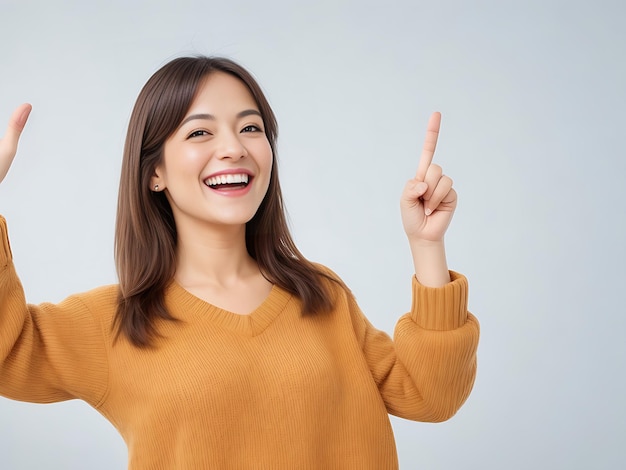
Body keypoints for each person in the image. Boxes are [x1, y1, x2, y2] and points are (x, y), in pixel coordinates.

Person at [0, 56, 480, 469]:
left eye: (250, 127)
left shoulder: (321, 296)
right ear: (154, 173)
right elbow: (9, 352)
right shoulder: (115, 322)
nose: (234, 147)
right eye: (200, 131)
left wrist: (427, 247)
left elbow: (431, 395)